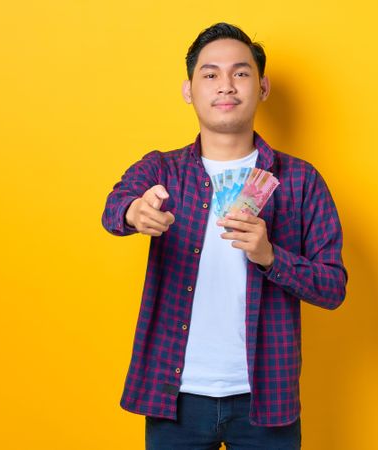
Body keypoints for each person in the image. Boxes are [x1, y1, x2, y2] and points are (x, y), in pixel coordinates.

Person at [101, 22, 348, 450]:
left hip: (266, 398)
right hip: (174, 397)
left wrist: (271, 257)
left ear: (263, 86)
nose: (226, 85)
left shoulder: (300, 180)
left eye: (241, 72)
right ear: (188, 90)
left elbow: (333, 287)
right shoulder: (162, 170)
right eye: (210, 74)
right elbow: (113, 206)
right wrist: (133, 211)